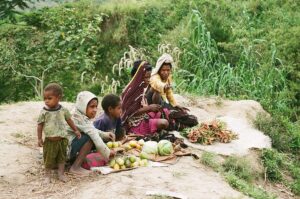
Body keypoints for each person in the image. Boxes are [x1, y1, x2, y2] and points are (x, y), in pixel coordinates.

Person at [37, 83, 81, 183]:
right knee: (48, 158)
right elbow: (40, 125)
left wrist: (75, 130)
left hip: (62, 140)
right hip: (49, 141)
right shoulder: (44, 112)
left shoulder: (63, 110)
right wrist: (39, 138)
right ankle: (47, 176)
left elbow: (69, 120)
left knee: (62, 158)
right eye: (45, 98)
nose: (46, 101)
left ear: (58, 98)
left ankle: (61, 174)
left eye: (49, 98)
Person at [67, 91, 115, 175]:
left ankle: (76, 160)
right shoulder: (78, 118)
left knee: (88, 135)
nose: (95, 110)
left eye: (96, 107)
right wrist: (108, 152)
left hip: (64, 147)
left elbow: (91, 129)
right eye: (92, 107)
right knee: (90, 139)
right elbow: (94, 136)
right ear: (83, 106)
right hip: (64, 150)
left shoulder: (77, 113)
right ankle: (75, 167)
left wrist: (105, 134)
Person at [147, 53, 198, 130]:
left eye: (168, 70)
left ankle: (168, 114)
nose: (166, 72)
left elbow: (169, 93)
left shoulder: (168, 78)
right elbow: (157, 84)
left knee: (186, 115)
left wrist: (175, 105)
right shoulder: (155, 76)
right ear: (159, 70)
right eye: (163, 70)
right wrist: (163, 86)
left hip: (163, 103)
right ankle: (160, 113)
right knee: (156, 91)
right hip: (152, 104)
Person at [121, 60, 169, 136]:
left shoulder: (141, 88)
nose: (148, 80)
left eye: (149, 77)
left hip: (143, 117)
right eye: (146, 77)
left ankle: (154, 128)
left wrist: (157, 90)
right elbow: (129, 112)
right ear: (137, 77)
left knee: (164, 112)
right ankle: (147, 131)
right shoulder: (130, 91)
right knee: (164, 123)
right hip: (135, 125)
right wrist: (149, 108)